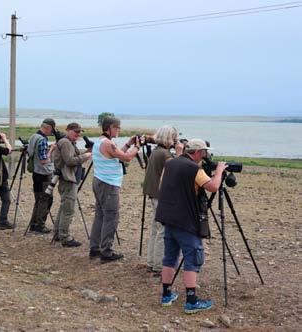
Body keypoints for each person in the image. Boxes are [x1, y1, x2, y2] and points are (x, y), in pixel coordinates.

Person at [156, 139, 227, 314]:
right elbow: (213, 187)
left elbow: (161, 186)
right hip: (186, 221)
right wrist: (219, 171)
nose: (205, 156)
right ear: (197, 152)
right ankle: (191, 300)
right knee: (192, 258)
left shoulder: (170, 163)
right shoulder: (195, 169)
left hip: (168, 218)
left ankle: (166, 295)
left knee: (169, 257)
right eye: (203, 153)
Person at [88, 117, 139, 262]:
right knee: (111, 217)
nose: (119, 130)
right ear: (109, 127)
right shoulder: (108, 143)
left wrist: (129, 144)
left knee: (100, 215)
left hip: (100, 181)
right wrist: (137, 147)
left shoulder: (100, 142)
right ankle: (106, 251)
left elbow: (117, 156)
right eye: (117, 127)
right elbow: (127, 158)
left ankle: (95, 248)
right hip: (108, 184)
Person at [142, 125, 183, 276]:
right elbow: (177, 170)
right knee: (162, 230)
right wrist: (179, 154)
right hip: (161, 196)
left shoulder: (156, 151)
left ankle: (151, 262)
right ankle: (159, 265)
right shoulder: (165, 154)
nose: (175, 141)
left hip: (153, 194)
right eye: (174, 138)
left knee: (155, 229)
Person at [52, 122, 92, 247]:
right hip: (67, 178)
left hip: (67, 178)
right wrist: (87, 155)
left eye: (79, 132)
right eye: (75, 131)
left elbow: (72, 157)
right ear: (68, 130)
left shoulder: (68, 142)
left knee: (64, 207)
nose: (78, 134)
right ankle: (65, 237)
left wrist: (86, 152)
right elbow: (70, 161)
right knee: (68, 209)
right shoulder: (65, 142)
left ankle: (58, 233)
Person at [27, 118, 56, 234]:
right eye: (52, 130)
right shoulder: (42, 140)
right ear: (48, 127)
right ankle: (39, 225)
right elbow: (44, 160)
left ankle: (34, 223)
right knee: (46, 199)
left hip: (36, 172)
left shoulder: (33, 137)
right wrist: (52, 149)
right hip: (44, 173)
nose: (52, 132)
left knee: (39, 199)